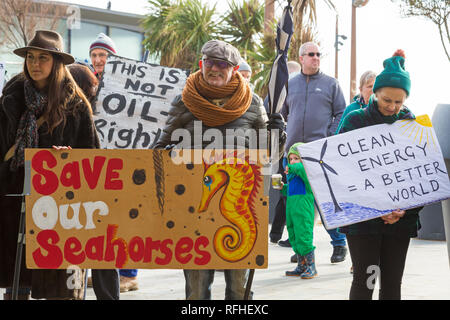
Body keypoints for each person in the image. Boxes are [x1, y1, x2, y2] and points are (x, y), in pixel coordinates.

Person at [154, 39, 285, 300]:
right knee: (197, 288)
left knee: (238, 287)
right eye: (210, 63)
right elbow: (160, 148)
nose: (215, 69)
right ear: (202, 64)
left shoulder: (253, 103)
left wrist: (277, 136)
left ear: (234, 70)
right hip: (195, 207)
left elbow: (266, 158)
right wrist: (173, 156)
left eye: (223, 65)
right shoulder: (184, 100)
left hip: (240, 209)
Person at [0, 30, 97, 300]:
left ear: (57, 63)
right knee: (17, 282)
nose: (35, 63)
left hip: (59, 210)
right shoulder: (12, 97)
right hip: (15, 204)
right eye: (31, 57)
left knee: (59, 288)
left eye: (43, 58)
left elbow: (92, 158)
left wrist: (69, 160)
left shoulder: (76, 105)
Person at [338, 50, 423, 300]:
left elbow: (421, 176)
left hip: (400, 220)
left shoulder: (413, 125)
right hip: (363, 221)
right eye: (387, 100)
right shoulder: (355, 120)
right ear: (375, 93)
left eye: (399, 102)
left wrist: (405, 210)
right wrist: (375, 208)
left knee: (392, 283)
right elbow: (341, 170)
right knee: (365, 281)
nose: (392, 107)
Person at [281, 42, 348, 264]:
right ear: (301, 58)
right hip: (293, 155)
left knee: (323, 202)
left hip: (319, 154)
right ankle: (303, 249)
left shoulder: (331, 84)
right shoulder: (290, 84)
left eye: (319, 54)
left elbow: (341, 113)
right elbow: (281, 114)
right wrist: (283, 137)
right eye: (311, 54)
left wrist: (328, 136)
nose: (316, 58)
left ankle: (339, 244)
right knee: (299, 204)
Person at [89, 33, 139, 294]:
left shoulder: (129, 84)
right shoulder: (86, 81)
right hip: (97, 162)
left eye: (103, 55)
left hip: (124, 160)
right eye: (95, 55)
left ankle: (129, 274)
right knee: (100, 219)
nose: (98, 60)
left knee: (124, 218)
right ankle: (105, 269)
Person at [67, 63, 120, 300]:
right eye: (93, 85)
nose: (97, 90)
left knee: (97, 255)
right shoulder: (77, 112)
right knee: (101, 254)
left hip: (88, 196)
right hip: (92, 195)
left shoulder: (91, 112)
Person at [268, 60, 301, 249]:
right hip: (282, 150)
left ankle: (285, 233)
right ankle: (278, 233)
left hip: (293, 150)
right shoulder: (276, 94)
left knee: (290, 193)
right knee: (285, 192)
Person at [279, 142, 317, 279]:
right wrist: (283, 187)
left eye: (297, 158)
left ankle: (311, 266)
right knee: (294, 236)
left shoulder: (306, 172)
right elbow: (292, 189)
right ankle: (301, 265)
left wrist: (292, 166)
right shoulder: (294, 174)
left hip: (303, 209)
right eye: (290, 159)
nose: (293, 161)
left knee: (304, 235)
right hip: (291, 209)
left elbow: (301, 168)